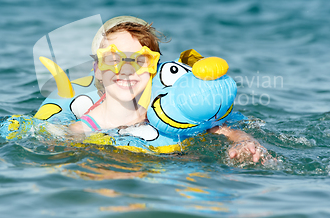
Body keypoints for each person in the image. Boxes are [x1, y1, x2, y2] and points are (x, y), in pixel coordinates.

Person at [68, 16, 268, 162]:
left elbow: (225, 131)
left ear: (153, 69)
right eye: (113, 60)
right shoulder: (81, 129)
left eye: (140, 60)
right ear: (97, 69)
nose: (126, 70)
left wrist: (243, 141)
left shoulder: (162, 114)